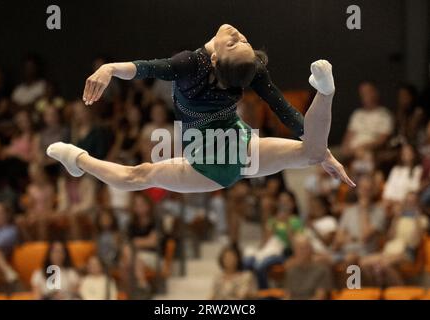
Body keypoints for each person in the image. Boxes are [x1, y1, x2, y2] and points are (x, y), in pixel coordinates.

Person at [46, 24, 355, 194]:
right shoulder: (247, 68)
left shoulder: (191, 64)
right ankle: (324, 93)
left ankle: (78, 159)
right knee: (312, 152)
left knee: (138, 177)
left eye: (236, 43)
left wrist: (110, 68)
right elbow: (288, 115)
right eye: (242, 39)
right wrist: (323, 153)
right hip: (239, 144)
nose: (236, 34)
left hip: (211, 163)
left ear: (217, 60)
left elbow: (144, 68)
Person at [341, 81, 393, 157]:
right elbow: (349, 135)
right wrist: (345, 148)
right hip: (351, 150)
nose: (365, 96)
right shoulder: (357, 114)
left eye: (367, 92)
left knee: (363, 156)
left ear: (375, 93)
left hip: (369, 150)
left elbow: (382, 140)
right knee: (323, 158)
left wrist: (363, 147)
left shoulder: (384, 115)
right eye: (362, 93)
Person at [283, 234, 332, 300]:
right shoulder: (291, 271)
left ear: (311, 250)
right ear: (294, 251)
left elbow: (320, 297)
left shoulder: (321, 270)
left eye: (305, 248)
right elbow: (287, 296)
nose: (302, 252)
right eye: (299, 249)